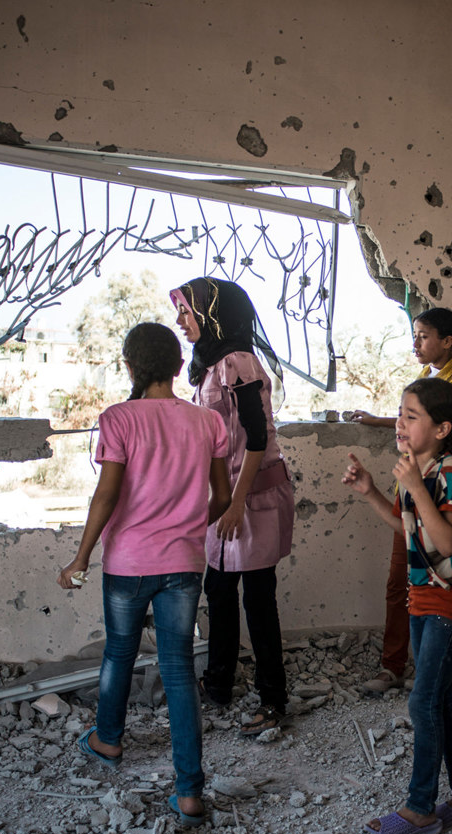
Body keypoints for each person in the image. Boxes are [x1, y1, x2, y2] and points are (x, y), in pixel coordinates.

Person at [57, 322, 232, 827]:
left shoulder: (118, 419)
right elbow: (220, 496)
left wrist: (81, 557)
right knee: (178, 669)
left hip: (128, 563)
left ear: (130, 367)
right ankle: (190, 791)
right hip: (183, 564)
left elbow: (107, 496)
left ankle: (108, 739)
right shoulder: (207, 422)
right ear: (179, 368)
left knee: (120, 652)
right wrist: (186, 527)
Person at [342, 378, 452, 834]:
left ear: (443, 428)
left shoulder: (449, 474)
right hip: (423, 599)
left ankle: (421, 808)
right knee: (438, 697)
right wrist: (371, 490)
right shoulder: (414, 470)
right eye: (400, 413)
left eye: (411, 416)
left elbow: (446, 542)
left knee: (422, 699)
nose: (400, 424)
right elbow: (405, 527)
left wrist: (413, 485)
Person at [170, 276, 295, 738]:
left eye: (187, 311)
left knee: (258, 597)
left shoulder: (237, 362)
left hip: (253, 496)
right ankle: (219, 683)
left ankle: (273, 699)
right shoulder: (211, 363)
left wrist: (236, 504)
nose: (181, 322)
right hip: (228, 497)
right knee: (219, 592)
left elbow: (258, 438)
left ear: (212, 314)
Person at [349, 308, 452, 694]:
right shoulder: (427, 380)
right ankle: (396, 666)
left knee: (444, 580)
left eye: (423, 336)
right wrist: (380, 422)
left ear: (447, 341)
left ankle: (442, 671)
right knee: (404, 583)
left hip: (443, 501)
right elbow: (411, 422)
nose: (416, 343)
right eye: (414, 335)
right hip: (412, 494)